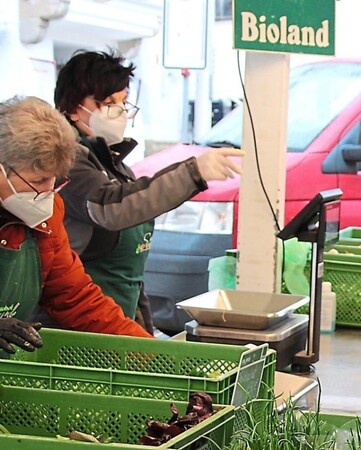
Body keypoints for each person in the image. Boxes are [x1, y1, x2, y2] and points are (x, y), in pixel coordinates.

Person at [44, 50, 243, 331]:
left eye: (124, 102)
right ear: (73, 107)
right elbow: (111, 207)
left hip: (117, 323)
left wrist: (143, 328)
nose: (119, 111)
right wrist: (192, 173)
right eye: (107, 102)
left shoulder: (116, 167)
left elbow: (132, 277)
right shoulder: (67, 162)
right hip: (77, 328)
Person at [0, 96, 151, 353]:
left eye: (54, 181)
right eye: (38, 181)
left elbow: (75, 298)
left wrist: (152, 353)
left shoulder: (46, 213)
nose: (48, 192)